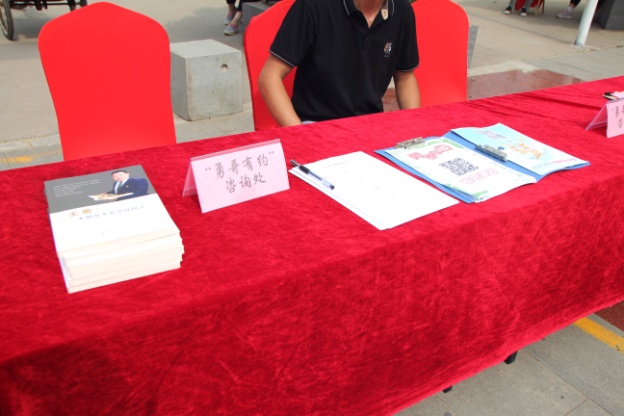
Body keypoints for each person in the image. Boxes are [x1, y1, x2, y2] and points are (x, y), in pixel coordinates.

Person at [258, 0, 420, 126]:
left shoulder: (401, 11)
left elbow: (405, 77)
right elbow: (269, 77)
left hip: (369, 125)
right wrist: (300, 135)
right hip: (316, 125)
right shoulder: (314, 5)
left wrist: (415, 129)